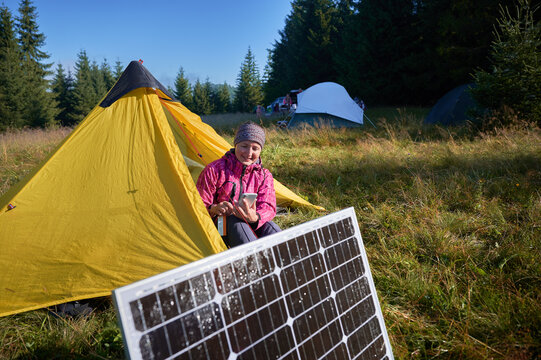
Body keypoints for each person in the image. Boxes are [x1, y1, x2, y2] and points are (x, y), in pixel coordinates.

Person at [196, 122, 281, 247]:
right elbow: (198, 204)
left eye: (255, 148)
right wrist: (213, 208)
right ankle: (255, 262)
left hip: (251, 221)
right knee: (236, 222)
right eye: (244, 146)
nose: (249, 153)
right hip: (220, 226)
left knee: (271, 227)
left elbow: (268, 206)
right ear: (236, 145)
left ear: (260, 150)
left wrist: (256, 217)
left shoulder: (264, 175)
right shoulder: (214, 170)